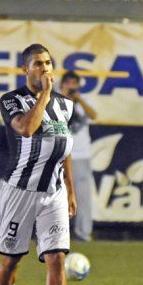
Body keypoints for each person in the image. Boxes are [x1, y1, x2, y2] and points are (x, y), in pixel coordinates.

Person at [0, 43, 77, 285]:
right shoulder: (11, 100)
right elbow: (27, 129)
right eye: (37, 64)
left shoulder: (66, 106)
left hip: (53, 192)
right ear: (25, 69)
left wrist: (69, 188)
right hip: (21, 191)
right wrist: (43, 94)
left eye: (48, 62)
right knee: (11, 260)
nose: (44, 68)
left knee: (56, 257)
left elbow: (63, 145)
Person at [59, 71, 97, 242]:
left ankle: (83, 233)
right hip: (60, 154)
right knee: (54, 196)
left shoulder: (84, 100)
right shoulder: (56, 100)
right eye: (68, 83)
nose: (72, 86)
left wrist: (79, 99)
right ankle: (53, 233)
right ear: (63, 84)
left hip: (81, 155)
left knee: (83, 196)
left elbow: (94, 115)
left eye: (75, 83)